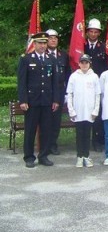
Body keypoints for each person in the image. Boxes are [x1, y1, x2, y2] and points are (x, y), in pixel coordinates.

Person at [18, 32, 60, 168]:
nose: (42, 46)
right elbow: (22, 82)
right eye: (39, 43)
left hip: (47, 101)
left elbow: (55, 82)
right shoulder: (26, 59)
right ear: (34, 44)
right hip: (32, 101)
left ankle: (43, 156)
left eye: (44, 43)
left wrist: (56, 100)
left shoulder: (51, 59)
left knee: (46, 130)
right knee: (30, 130)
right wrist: (23, 100)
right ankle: (29, 157)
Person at [67, 54, 101, 167]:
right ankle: (79, 157)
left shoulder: (94, 76)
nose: (84, 65)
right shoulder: (74, 76)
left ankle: (86, 156)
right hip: (78, 111)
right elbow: (69, 94)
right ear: (79, 64)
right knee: (79, 135)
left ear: (89, 63)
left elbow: (97, 95)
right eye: (82, 62)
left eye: (86, 62)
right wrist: (71, 110)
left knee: (87, 135)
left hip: (89, 112)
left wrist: (96, 110)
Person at [44, 29, 71, 155]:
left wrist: (66, 93)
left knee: (56, 120)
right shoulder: (42, 54)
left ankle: (53, 144)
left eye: (55, 38)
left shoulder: (63, 55)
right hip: (45, 92)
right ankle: (45, 145)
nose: (53, 40)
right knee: (45, 119)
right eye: (50, 38)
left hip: (59, 92)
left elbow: (67, 75)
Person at [84, 18, 108, 152]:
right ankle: (84, 141)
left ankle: (98, 140)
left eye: (96, 32)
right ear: (87, 32)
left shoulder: (103, 47)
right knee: (85, 112)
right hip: (84, 84)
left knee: (98, 113)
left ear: (99, 33)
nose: (93, 34)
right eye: (91, 31)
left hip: (98, 84)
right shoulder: (81, 46)